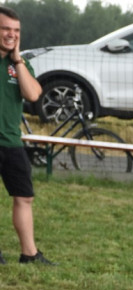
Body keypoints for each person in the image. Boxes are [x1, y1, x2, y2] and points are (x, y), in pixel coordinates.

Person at [0, 6, 51, 265]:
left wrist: (18, 60)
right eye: (6, 29)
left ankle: (29, 255)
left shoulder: (19, 64)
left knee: (24, 196)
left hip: (10, 141)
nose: (11, 35)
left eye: (16, 30)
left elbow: (32, 94)